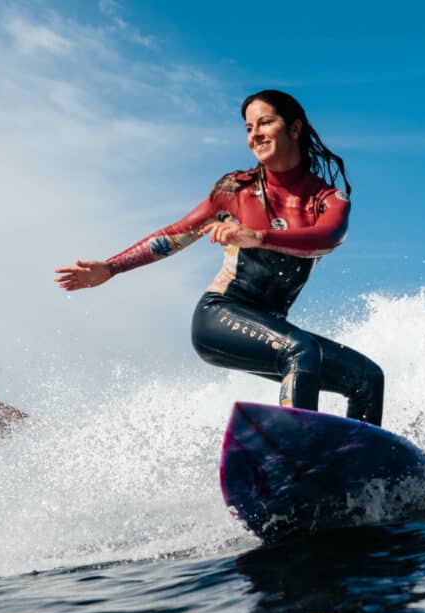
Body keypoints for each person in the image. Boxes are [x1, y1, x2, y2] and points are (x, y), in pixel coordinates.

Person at [56, 90, 385, 425]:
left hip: (273, 328)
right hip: (219, 316)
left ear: (295, 128)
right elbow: (175, 234)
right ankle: (296, 447)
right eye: (247, 128)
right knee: (301, 351)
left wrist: (257, 237)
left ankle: (368, 473)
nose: (254, 134)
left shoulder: (328, 199)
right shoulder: (235, 190)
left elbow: (327, 238)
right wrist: (112, 267)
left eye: (265, 123)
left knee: (367, 379)